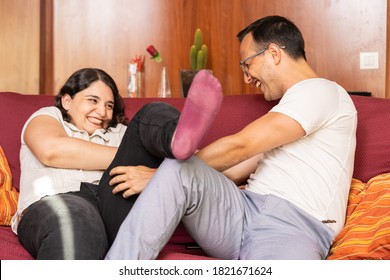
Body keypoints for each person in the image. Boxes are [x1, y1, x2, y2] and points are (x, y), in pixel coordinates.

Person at [105, 15, 357, 260]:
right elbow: (237, 168)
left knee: (177, 167)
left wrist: (155, 177)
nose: (247, 78)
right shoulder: (291, 111)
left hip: (294, 228)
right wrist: (167, 179)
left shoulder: (322, 91)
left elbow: (241, 145)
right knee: (177, 168)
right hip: (242, 210)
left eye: (247, 64)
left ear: (273, 53)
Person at [11, 67, 223, 259]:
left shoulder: (120, 132)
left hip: (114, 205)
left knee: (151, 112)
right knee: (77, 221)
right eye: (92, 100)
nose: (102, 112)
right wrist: (154, 169)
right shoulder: (49, 116)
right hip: (61, 202)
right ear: (67, 101)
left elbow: (201, 161)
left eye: (109, 105)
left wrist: (248, 159)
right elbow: (51, 150)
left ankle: (176, 136)